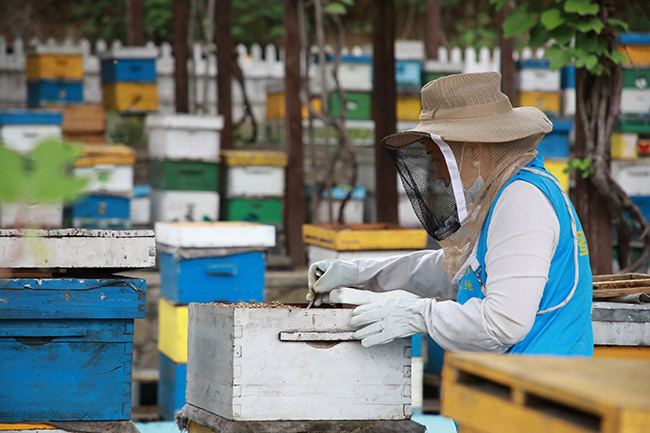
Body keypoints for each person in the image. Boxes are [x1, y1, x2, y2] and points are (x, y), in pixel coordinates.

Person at [306, 72, 593, 356]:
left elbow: (503, 324)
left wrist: (420, 314)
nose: (439, 175)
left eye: (438, 158)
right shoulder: (504, 192)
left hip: (541, 388)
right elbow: (461, 272)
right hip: (518, 384)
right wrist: (359, 272)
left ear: (474, 150)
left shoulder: (522, 200)